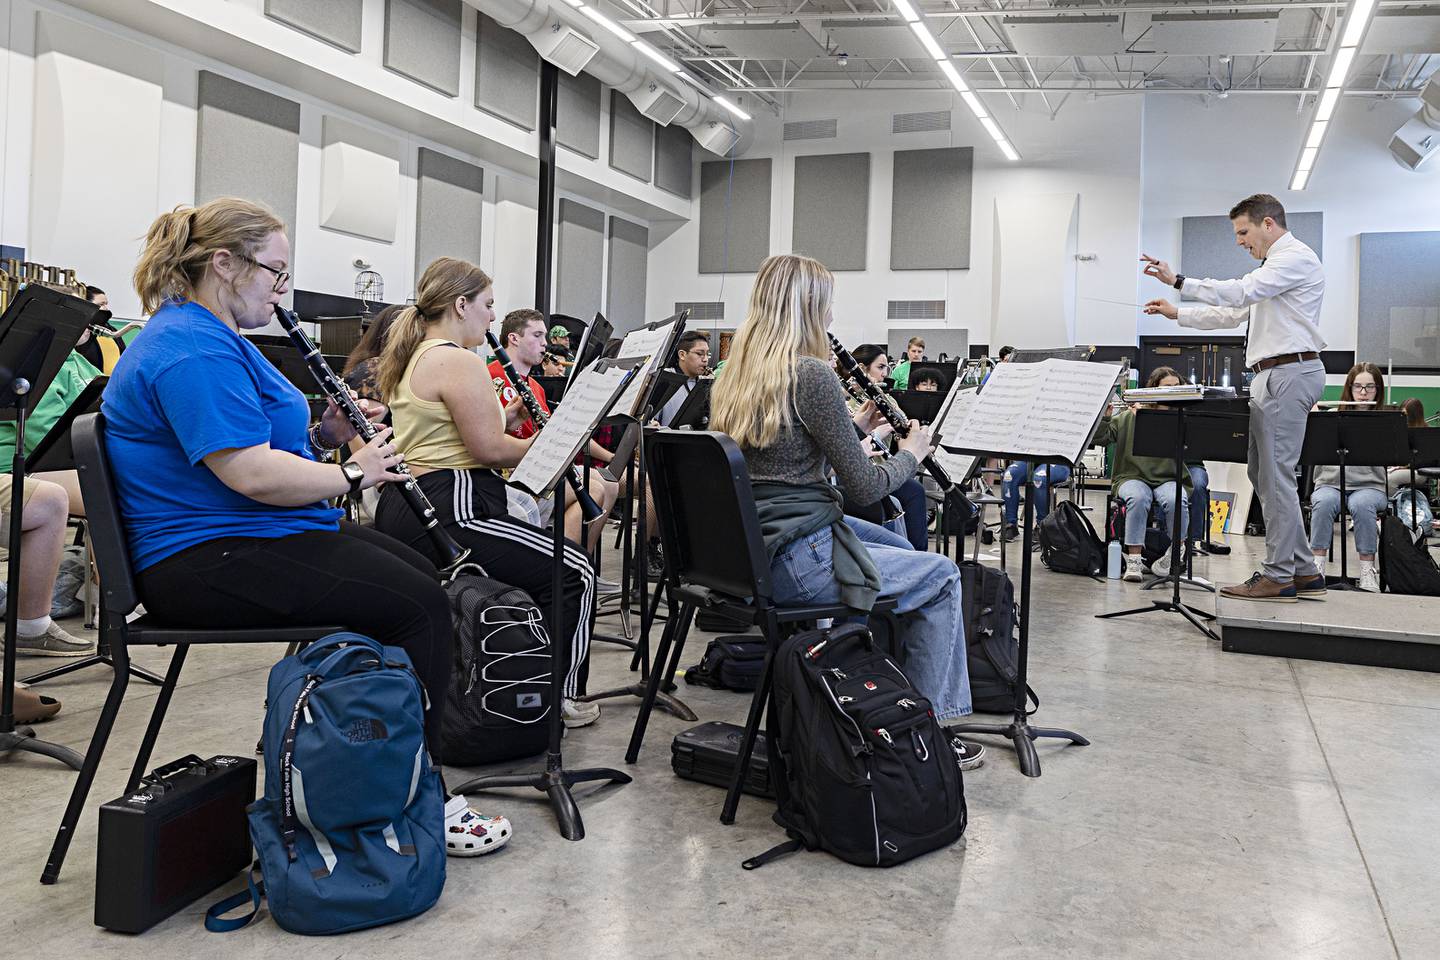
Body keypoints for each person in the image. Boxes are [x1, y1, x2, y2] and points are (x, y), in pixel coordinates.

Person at [105, 198, 509, 855]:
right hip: (206, 557)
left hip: (247, 535)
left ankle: (372, 764)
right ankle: (421, 792)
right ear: (226, 263)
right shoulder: (186, 349)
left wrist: (329, 432)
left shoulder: (214, 335)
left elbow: (265, 443)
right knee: (420, 606)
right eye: (276, 272)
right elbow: (251, 475)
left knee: (416, 575)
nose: (281, 290)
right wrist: (356, 474)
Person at [710, 253, 983, 770]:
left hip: (758, 545)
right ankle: (929, 731)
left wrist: (853, 424)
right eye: (827, 303)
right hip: (797, 554)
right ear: (809, 307)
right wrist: (913, 454)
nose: (832, 315)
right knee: (943, 575)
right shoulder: (810, 374)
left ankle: (874, 689)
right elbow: (863, 484)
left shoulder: (737, 373)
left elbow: (783, 454)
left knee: (902, 548)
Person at [374, 258, 601, 729]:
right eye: (488, 305)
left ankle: (523, 678)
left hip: (415, 502)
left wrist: (510, 422)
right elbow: (488, 450)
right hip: (451, 502)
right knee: (574, 570)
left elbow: (460, 435)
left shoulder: (417, 353)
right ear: (461, 305)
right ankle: (557, 698)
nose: (494, 317)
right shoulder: (457, 359)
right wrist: (552, 439)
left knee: (544, 569)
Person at [1143, 193, 1326, 603]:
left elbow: (1241, 293)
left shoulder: (1293, 258)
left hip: (1287, 372)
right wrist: (1178, 313)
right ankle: (1302, 567)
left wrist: (1180, 281)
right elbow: (1231, 314)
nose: (1240, 241)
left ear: (1268, 224)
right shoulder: (1273, 269)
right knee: (1263, 474)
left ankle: (1279, 574)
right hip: (1275, 373)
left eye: (1243, 232)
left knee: (1275, 477)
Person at [488, 309, 617, 548]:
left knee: (610, 484)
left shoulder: (535, 386)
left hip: (538, 469)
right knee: (595, 489)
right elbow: (495, 440)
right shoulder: (491, 376)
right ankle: (568, 566)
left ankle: (581, 565)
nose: (544, 344)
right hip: (513, 476)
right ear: (514, 338)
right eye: (537, 335)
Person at [1094, 367, 1193, 582]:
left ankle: (1177, 551)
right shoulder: (1129, 416)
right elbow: (1102, 438)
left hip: (1168, 476)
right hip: (1131, 475)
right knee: (1138, 498)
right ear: (1154, 389)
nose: (1173, 392)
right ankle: (1134, 560)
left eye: (1177, 388)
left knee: (1177, 499)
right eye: (1167, 387)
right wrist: (1106, 417)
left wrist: (1153, 421)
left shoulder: (1181, 418)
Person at [1307, 363, 1389, 592]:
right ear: (1349, 388)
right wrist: (1314, 422)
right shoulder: (1331, 417)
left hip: (1369, 486)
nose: (1363, 393)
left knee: (1362, 505)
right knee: (1323, 503)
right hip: (1330, 483)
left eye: (1370, 387)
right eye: (1358, 387)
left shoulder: (1383, 421)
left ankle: (1367, 572)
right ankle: (1317, 568)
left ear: (1378, 390)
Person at [846, 343, 930, 551]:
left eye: (886, 368)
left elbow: (903, 427)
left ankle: (916, 553)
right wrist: (874, 434)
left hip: (883, 466)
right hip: (863, 473)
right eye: (880, 367)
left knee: (914, 490)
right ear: (863, 369)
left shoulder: (886, 398)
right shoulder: (848, 400)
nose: (885, 374)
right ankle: (917, 555)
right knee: (914, 492)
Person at [1390, 397, 1432, 540]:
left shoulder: (1424, 432)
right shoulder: (1403, 430)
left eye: (1406, 414)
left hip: (1419, 472)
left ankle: (1393, 512)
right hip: (1407, 468)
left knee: (1389, 480)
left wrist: (1404, 465)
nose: (1404, 417)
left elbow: (1425, 460)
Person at [655, 330, 710, 427]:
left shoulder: (705, 383)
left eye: (707, 354)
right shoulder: (664, 379)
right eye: (699, 354)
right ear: (682, 355)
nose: (705, 359)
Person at [78, 285, 125, 373]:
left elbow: (124, 357)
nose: (106, 308)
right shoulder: (79, 332)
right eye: (101, 304)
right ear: (87, 305)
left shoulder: (112, 331)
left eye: (106, 304)